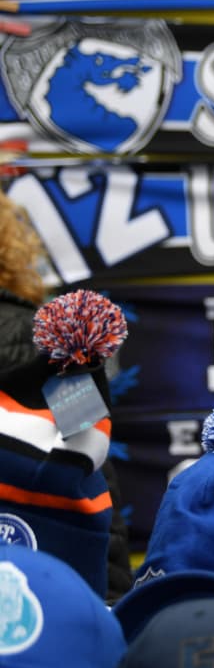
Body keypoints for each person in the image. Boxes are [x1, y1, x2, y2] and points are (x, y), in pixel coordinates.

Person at [0, 186, 134, 602]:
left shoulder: (52, 345)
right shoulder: (55, 346)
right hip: (51, 583)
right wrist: (111, 601)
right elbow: (90, 465)